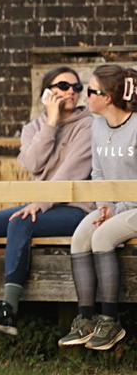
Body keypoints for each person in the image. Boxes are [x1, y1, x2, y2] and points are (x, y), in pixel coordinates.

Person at [0, 66, 93, 338]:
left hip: (76, 207)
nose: (72, 92)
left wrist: (39, 203)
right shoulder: (34, 128)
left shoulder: (88, 126)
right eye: (64, 86)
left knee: (21, 222)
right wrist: (51, 124)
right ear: (46, 94)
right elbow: (32, 163)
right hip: (40, 205)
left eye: (77, 88)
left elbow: (71, 173)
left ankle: (9, 310)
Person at [59, 65, 137, 351]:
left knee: (102, 237)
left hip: (135, 206)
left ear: (108, 97)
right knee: (81, 237)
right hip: (113, 205)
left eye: (91, 91)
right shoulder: (97, 126)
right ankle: (86, 319)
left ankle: (110, 320)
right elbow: (98, 173)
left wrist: (118, 207)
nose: (86, 96)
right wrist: (104, 204)